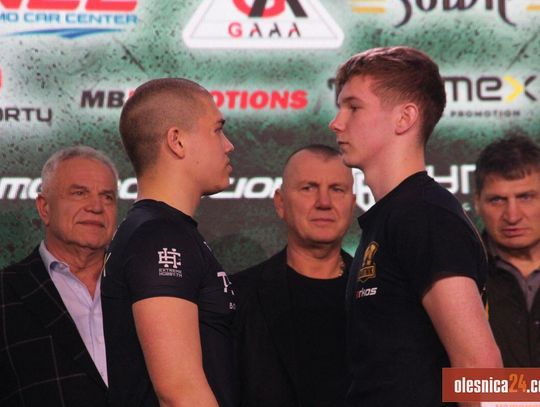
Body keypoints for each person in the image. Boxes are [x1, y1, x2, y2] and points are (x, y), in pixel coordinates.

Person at [328, 46, 502, 406]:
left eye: (353, 107)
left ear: (404, 118)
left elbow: (482, 370)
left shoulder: (425, 215)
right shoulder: (395, 215)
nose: (336, 122)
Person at [101, 78, 237, 407]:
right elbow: (180, 393)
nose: (229, 145)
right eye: (217, 130)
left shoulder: (162, 230)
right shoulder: (160, 237)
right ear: (177, 141)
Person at [232, 144, 356, 407]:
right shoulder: (238, 298)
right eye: (308, 188)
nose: (324, 202)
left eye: (337, 189)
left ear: (352, 203)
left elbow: (439, 374)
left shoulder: (387, 294)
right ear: (280, 203)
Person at [0, 146, 118, 407]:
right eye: (79, 193)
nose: (96, 207)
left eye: (107, 197)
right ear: (44, 208)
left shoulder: (141, 287)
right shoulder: (6, 292)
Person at [474, 134, 540, 367]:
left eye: (525, 197)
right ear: (477, 203)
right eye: (497, 200)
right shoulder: (460, 275)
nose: (512, 216)